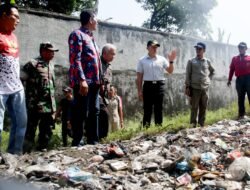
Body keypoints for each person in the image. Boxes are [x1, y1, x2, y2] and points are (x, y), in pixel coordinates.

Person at [68, 10, 101, 145]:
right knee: (81, 112)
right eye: (96, 19)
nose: (97, 22)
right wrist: (82, 80)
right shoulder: (77, 35)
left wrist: (100, 80)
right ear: (91, 19)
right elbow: (75, 58)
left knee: (94, 111)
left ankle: (93, 140)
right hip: (84, 82)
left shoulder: (91, 37)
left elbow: (96, 61)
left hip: (95, 82)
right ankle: (77, 141)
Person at [0, 3, 27, 154]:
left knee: (21, 122)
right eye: (15, 16)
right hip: (0, 88)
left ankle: (14, 154)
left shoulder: (14, 37)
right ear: (4, 15)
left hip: (16, 87)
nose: (18, 20)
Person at [22, 42, 59, 151]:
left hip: (48, 105)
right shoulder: (32, 64)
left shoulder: (51, 65)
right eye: (50, 51)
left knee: (46, 129)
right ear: (43, 51)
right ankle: (26, 152)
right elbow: (20, 80)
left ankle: (42, 150)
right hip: (35, 104)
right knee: (30, 130)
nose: (53, 54)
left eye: (53, 52)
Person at [136, 40, 176, 127]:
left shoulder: (162, 59)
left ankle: (158, 129)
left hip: (159, 85)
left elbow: (170, 71)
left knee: (159, 108)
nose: (155, 48)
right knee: (147, 109)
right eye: (153, 47)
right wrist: (139, 91)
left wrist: (171, 61)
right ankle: (146, 129)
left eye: (156, 47)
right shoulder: (142, 60)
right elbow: (139, 77)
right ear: (147, 48)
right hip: (147, 86)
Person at [185, 42, 215, 127]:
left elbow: (213, 71)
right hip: (194, 88)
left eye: (200, 49)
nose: (198, 50)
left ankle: (201, 124)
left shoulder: (207, 61)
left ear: (204, 50)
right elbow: (188, 74)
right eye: (196, 49)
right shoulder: (191, 61)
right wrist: (187, 86)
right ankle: (193, 124)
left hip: (205, 88)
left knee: (203, 107)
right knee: (194, 107)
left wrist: (209, 79)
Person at [227, 42, 250, 119]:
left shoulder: (249, 58)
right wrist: (229, 79)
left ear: (246, 49)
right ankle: (241, 114)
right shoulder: (235, 58)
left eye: (243, 48)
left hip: (248, 79)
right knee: (240, 97)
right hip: (239, 80)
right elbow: (232, 70)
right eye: (240, 48)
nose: (241, 49)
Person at [99, 43, 116, 139]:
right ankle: (101, 138)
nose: (114, 56)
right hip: (96, 95)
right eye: (112, 54)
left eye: (114, 54)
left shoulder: (109, 67)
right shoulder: (97, 63)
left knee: (102, 117)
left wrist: (111, 88)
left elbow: (109, 81)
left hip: (105, 98)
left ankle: (101, 139)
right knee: (104, 115)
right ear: (105, 53)